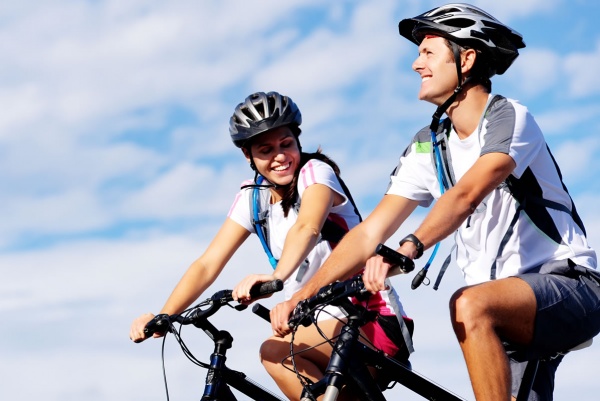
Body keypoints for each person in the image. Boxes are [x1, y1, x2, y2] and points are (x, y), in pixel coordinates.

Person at [270, 4, 600, 401]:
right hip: (501, 312)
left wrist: (407, 248)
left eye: (428, 53)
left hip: (570, 284)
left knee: (469, 305)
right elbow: (370, 231)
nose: (415, 65)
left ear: (468, 58)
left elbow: (466, 195)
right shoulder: (428, 144)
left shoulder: (508, 117)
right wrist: (302, 296)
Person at [129, 91, 413, 401]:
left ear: (298, 141)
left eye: (286, 144)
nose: (279, 156)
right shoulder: (253, 199)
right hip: (314, 322)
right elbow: (207, 263)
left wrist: (276, 277)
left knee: (274, 351)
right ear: (247, 155)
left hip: (368, 319)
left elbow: (307, 227)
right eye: (266, 150)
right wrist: (164, 316)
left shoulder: (316, 174)